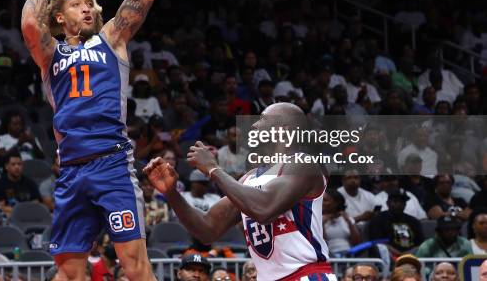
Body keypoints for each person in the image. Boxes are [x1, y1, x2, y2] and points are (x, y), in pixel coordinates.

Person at [21, 0, 156, 281]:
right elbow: (30, 23)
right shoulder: (51, 54)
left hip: (111, 163)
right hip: (71, 170)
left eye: (90, 3)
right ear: (60, 17)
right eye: (76, 3)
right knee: (68, 272)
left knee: (135, 266)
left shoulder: (111, 40)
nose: (87, 7)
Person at [145, 103, 335, 281]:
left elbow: (265, 208)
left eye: (262, 119)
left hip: (306, 275)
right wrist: (171, 193)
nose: (254, 126)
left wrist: (213, 170)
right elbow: (207, 229)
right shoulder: (249, 178)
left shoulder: (304, 164)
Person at [368, 189, 424, 256]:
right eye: (395, 201)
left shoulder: (414, 221)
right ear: (387, 203)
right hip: (388, 257)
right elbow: (377, 243)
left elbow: (421, 244)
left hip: (411, 257)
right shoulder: (378, 219)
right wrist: (398, 254)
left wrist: (407, 254)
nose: (399, 205)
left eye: (402, 202)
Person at [0, 149, 41, 216]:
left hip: (29, 214)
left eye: (19, 164)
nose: (17, 167)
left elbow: (36, 202)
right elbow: (0, 207)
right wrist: (20, 211)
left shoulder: (30, 183)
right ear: (6, 166)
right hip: (11, 216)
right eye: (13, 164)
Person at [322, 189, 361, 256]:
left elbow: (356, 242)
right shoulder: (318, 219)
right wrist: (322, 224)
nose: (322, 203)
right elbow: (322, 243)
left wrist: (349, 222)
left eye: (325, 200)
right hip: (328, 254)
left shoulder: (347, 218)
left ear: (336, 203)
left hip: (349, 254)